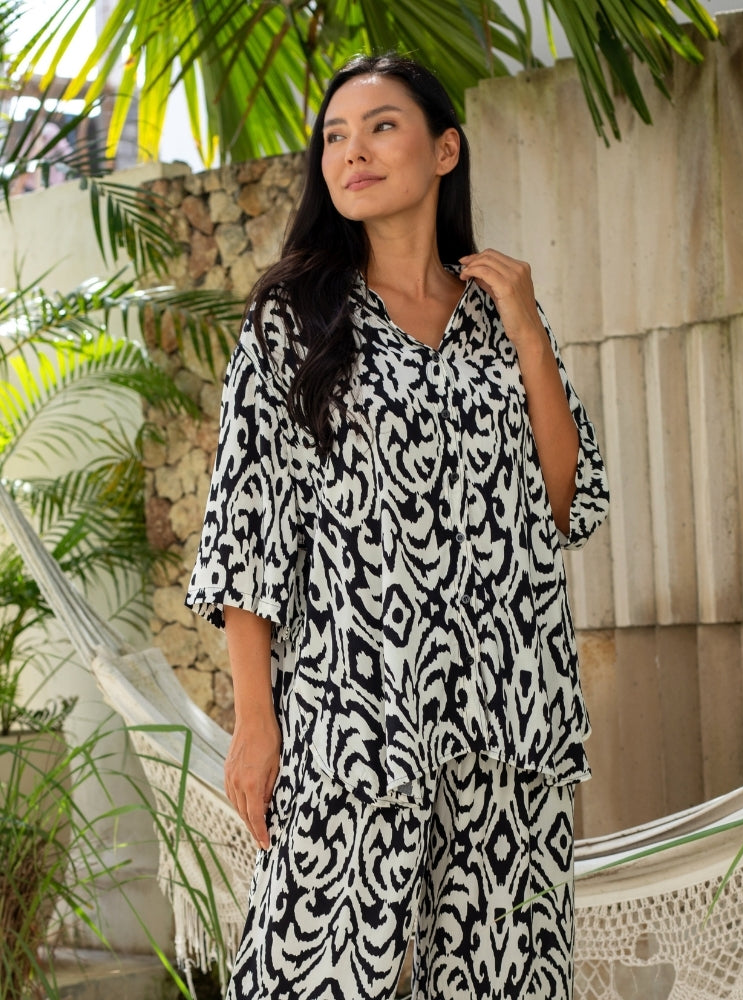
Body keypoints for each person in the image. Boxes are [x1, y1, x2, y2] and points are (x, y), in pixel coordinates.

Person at [186, 52, 609, 1000]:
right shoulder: (293, 323)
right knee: (310, 982)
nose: (352, 152)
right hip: (352, 726)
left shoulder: (503, 319)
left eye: (380, 127)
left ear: (444, 149)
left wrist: (531, 332)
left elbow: (560, 502)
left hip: (511, 723)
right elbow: (249, 528)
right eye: (335, 136)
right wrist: (257, 722)